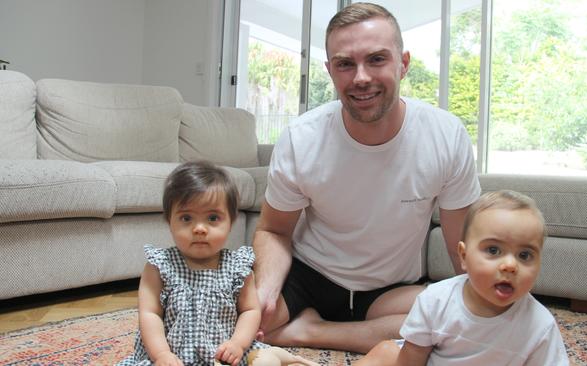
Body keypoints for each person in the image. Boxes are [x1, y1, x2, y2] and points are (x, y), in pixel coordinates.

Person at [253, 2, 481, 353]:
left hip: (390, 291)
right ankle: (318, 325)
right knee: (241, 318)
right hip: (312, 276)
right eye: (346, 64)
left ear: (403, 64)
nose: (361, 77)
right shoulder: (302, 137)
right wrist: (265, 292)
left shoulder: (445, 135)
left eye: (376, 59)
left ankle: (308, 333)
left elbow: (460, 249)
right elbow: (274, 230)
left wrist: (477, 310)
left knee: (451, 319)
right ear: (330, 71)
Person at [354, 190, 570, 366]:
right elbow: (411, 361)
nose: (510, 266)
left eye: (525, 255)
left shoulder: (540, 326)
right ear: (464, 257)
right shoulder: (436, 300)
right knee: (385, 354)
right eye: (493, 250)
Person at [117, 161, 267, 366]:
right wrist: (161, 355)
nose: (199, 229)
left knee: (265, 359)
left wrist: (238, 344)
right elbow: (149, 314)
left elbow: (250, 310)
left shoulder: (238, 267)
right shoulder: (160, 266)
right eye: (186, 218)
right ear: (169, 221)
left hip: (224, 356)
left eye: (213, 218)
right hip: (173, 357)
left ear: (231, 222)